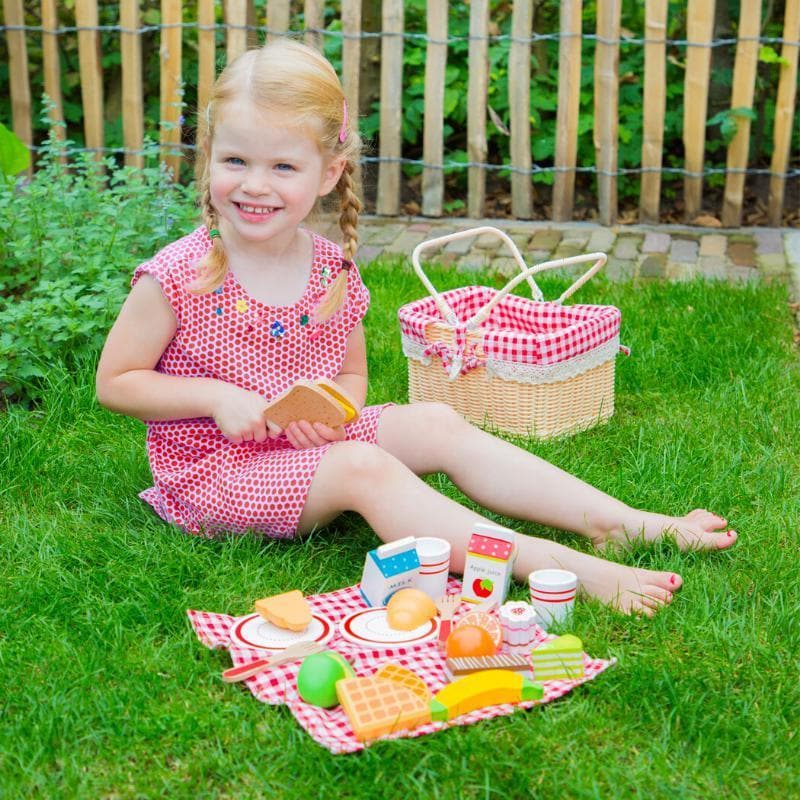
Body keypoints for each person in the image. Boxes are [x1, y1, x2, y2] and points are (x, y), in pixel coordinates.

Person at [96, 39, 736, 617]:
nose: (254, 185)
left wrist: (333, 409)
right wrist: (215, 397)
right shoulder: (179, 274)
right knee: (361, 467)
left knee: (435, 421)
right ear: (208, 158)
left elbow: (352, 378)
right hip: (216, 475)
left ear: (329, 173)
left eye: (283, 167)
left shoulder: (329, 270)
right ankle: (551, 563)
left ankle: (616, 521)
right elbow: (116, 382)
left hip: (301, 447)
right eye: (235, 160)